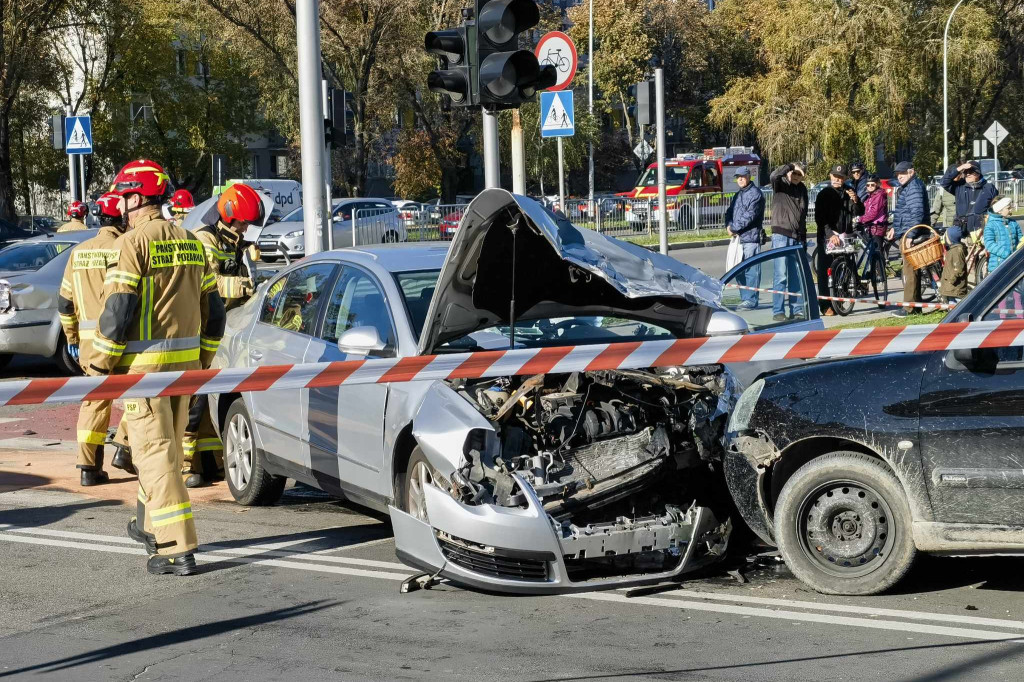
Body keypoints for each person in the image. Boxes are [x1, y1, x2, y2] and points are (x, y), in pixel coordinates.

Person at [92, 159, 225, 576]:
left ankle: (174, 547)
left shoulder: (132, 244)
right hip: (185, 370)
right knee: (164, 452)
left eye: (125, 197)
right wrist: (203, 359)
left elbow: (118, 308)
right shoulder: (190, 241)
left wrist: (100, 362)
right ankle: (148, 526)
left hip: (144, 372)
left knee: (156, 457)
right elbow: (214, 311)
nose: (122, 206)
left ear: (138, 197)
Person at [182, 182, 269, 488]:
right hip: (201, 327)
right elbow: (211, 283)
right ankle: (184, 466)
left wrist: (254, 267)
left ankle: (209, 463)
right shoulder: (204, 240)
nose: (246, 229)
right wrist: (248, 286)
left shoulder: (238, 244)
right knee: (194, 399)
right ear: (230, 216)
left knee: (213, 396)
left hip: (227, 328)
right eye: (243, 223)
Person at [56, 193, 134, 486]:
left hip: (88, 345)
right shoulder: (123, 249)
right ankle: (125, 449)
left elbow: (64, 303)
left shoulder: (79, 252)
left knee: (95, 402)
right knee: (140, 397)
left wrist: (72, 336)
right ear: (123, 219)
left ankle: (88, 469)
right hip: (122, 339)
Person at [814, 164, 864, 315]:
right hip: (828, 237)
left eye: (841, 178)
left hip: (845, 236)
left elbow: (860, 212)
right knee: (825, 271)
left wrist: (856, 201)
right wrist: (830, 234)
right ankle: (825, 305)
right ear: (830, 177)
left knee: (846, 269)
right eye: (835, 177)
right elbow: (820, 219)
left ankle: (842, 300)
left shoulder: (849, 191)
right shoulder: (824, 194)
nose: (838, 180)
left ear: (845, 179)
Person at [886, 161, 931, 317]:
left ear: (911, 172)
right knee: (912, 272)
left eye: (902, 174)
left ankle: (909, 308)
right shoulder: (909, 187)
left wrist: (910, 235)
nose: (899, 177)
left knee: (909, 272)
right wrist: (894, 228)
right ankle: (915, 306)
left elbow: (916, 213)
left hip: (912, 234)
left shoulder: (914, 188)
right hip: (906, 232)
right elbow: (904, 213)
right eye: (898, 175)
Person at [768, 162, 808, 321]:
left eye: (800, 174)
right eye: (795, 173)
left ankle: (796, 309)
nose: (796, 177)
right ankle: (777, 311)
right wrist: (789, 166)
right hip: (780, 234)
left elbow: (803, 215)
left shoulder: (802, 189)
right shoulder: (780, 183)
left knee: (795, 275)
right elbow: (773, 175)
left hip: (796, 236)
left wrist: (803, 237)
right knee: (780, 275)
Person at [724, 166, 765, 310]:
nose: (740, 179)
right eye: (737, 177)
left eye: (742, 176)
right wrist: (728, 225)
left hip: (751, 239)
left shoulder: (756, 194)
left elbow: (750, 216)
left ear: (749, 176)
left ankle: (751, 300)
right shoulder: (738, 195)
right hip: (738, 239)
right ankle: (745, 298)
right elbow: (729, 212)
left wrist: (733, 228)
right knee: (738, 270)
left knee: (751, 272)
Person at [940, 160, 998, 236]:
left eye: (971, 172)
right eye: (965, 172)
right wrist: (960, 168)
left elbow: (996, 208)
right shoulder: (959, 186)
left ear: (978, 173)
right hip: (962, 231)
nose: (968, 174)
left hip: (982, 232)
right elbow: (944, 182)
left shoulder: (989, 188)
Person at [982, 197, 1022, 273]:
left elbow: (1020, 239)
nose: (1011, 210)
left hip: (1014, 264)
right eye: (1008, 208)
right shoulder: (991, 225)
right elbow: (989, 244)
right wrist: (1006, 254)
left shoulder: (1013, 223)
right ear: (999, 210)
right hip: (998, 266)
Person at [859, 174, 889, 253]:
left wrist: (861, 219)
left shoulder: (879, 195)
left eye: (872, 184)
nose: (870, 186)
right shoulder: (870, 196)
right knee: (872, 252)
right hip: (871, 227)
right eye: (868, 185)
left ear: (877, 184)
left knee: (877, 253)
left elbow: (873, 212)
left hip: (877, 228)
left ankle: (881, 265)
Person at [939, 225, 968, 303]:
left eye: (946, 236)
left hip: (955, 288)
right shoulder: (952, 249)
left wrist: (951, 280)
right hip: (952, 288)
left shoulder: (957, 251)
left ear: (951, 238)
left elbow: (959, 269)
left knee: (955, 308)